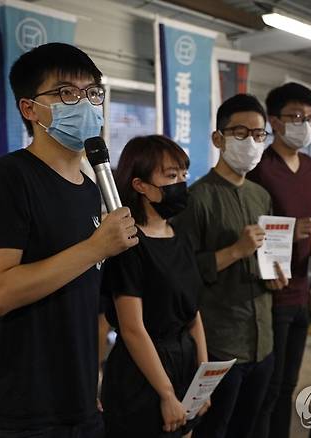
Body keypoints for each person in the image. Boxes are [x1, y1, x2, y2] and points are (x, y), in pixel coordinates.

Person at [0, 43, 138, 436]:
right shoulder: (6, 179)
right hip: (18, 411)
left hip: (77, 402)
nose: (86, 103)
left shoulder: (93, 188)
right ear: (29, 108)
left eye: (93, 92)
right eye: (65, 92)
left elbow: (85, 304)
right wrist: (96, 247)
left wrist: (88, 381)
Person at [172, 94, 287, 438]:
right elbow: (182, 273)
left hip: (262, 339)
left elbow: (265, 255)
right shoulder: (197, 198)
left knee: (249, 426)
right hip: (221, 344)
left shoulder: (260, 195)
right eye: (241, 133)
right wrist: (235, 250)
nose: (251, 142)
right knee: (213, 429)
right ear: (218, 139)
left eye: (259, 135)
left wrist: (275, 274)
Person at [100, 135, 210, 437]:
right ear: (140, 185)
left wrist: (203, 380)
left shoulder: (180, 235)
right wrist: (166, 394)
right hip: (142, 375)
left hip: (184, 366)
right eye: (171, 175)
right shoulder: (128, 243)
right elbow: (132, 328)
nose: (181, 183)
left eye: (184, 175)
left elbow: (193, 315)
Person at [247, 82, 311, 438]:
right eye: (296, 116)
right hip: (271, 290)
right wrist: (289, 231)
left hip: (302, 289)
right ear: (275, 121)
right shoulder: (260, 168)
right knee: (269, 386)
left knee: (288, 385)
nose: (305, 123)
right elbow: (249, 227)